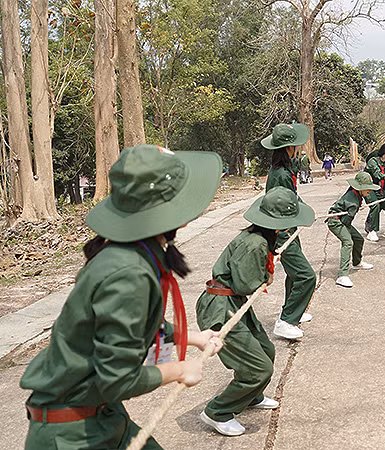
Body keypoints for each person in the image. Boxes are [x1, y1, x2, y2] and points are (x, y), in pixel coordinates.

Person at [19, 144, 224, 449]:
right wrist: (179, 369)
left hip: (103, 416)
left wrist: (192, 337)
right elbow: (117, 380)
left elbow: (139, 324)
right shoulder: (128, 274)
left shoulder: (136, 252)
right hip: (72, 433)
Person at [196, 187, 314, 436]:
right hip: (220, 307)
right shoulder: (255, 244)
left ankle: (251, 395)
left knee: (266, 350)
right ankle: (217, 412)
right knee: (259, 368)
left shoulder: (260, 238)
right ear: (280, 224)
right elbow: (246, 285)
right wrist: (267, 274)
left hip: (233, 302)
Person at [262, 123, 317, 340]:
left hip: (288, 227)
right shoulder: (280, 175)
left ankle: (294, 309)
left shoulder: (284, 170)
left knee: (294, 274)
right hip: (281, 230)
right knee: (306, 276)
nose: (298, 149)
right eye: (295, 146)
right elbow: (284, 203)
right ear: (288, 149)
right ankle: (286, 321)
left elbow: (292, 199)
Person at [328, 172, 380, 288]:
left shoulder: (356, 195)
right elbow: (346, 221)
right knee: (348, 242)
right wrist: (354, 209)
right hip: (336, 222)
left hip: (341, 220)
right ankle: (342, 275)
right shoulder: (353, 201)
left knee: (359, 239)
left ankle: (357, 262)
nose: (369, 191)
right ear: (359, 188)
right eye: (367, 189)